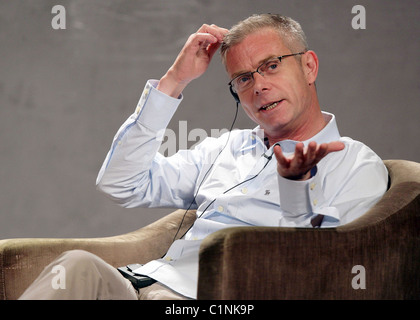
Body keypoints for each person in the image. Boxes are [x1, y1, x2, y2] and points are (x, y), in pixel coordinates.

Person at [19, 14, 388, 300]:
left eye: (271, 65)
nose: (258, 85)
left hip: (209, 299)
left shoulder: (357, 164)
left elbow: (327, 267)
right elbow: (121, 183)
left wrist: (297, 190)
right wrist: (173, 83)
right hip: (142, 284)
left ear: (309, 66)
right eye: (243, 78)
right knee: (77, 268)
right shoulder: (225, 147)